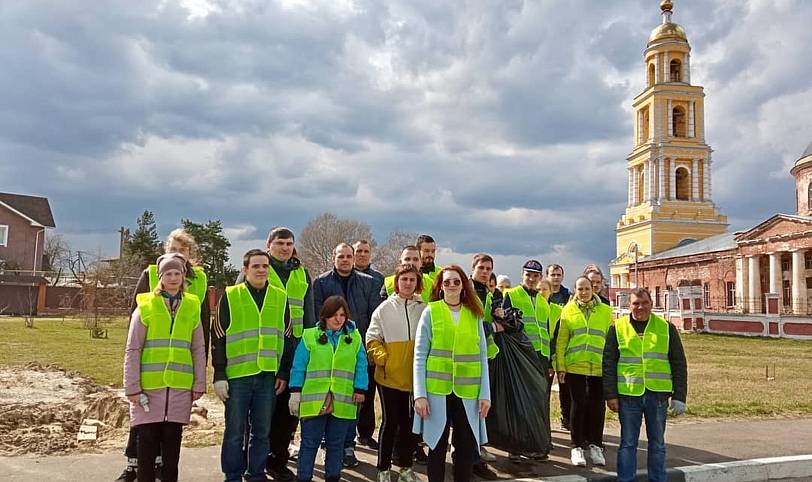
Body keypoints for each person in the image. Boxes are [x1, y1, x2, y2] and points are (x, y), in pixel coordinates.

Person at [117, 229, 210, 482]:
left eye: (182, 251)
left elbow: (199, 334)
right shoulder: (148, 285)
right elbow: (134, 336)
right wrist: (132, 383)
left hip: (180, 378)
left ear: (190, 254)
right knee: (145, 434)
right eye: (173, 249)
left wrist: (200, 376)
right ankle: (134, 467)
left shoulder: (198, 283)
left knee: (172, 440)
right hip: (151, 379)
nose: (173, 276)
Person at [235, 228, 316, 482]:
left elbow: (310, 314)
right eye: (280, 243)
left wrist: (311, 347)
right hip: (263, 354)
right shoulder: (257, 269)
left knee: (287, 415)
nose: (285, 248)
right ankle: (253, 462)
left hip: (295, 351)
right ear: (269, 244)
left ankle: (278, 460)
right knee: (259, 415)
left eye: (289, 243)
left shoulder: (302, 273)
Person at [212, 249, 289, 482]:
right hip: (237, 377)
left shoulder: (279, 296)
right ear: (245, 270)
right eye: (256, 266)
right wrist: (219, 373)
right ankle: (233, 475)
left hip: (267, 376)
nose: (261, 270)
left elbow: (286, 336)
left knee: (262, 432)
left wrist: (283, 371)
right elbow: (218, 336)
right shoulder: (231, 295)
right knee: (235, 432)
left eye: (265, 266)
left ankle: (256, 473)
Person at [413, 265, 491, 482]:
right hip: (437, 391)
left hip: (468, 392)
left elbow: (483, 357)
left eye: (456, 281)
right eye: (447, 282)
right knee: (436, 447)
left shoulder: (474, 314)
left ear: (463, 285)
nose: (452, 286)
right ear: (440, 285)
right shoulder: (431, 311)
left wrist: (485, 395)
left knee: (466, 449)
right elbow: (419, 355)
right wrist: (420, 394)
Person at [603, 288, 688, 482]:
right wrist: (610, 395)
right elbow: (608, 363)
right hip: (628, 394)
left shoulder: (666, 328)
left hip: (657, 395)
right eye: (635, 303)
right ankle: (626, 479)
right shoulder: (617, 328)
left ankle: (657, 479)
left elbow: (678, 362)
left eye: (644, 303)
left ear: (651, 304)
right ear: (629, 305)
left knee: (657, 444)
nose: (640, 307)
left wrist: (679, 396)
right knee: (628, 443)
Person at [312, 243, 381, 465]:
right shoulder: (321, 282)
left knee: (353, 401)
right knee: (327, 397)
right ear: (333, 257)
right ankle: (328, 445)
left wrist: (367, 347)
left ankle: (348, 446)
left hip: (354, 349)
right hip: (327, 351)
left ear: (353, 259)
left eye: (348, 256)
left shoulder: (368, 283)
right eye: (340, 256)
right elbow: (316, 315)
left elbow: (373, 318)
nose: (344, 259)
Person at [288, 296, 368, 482]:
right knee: (309, 444)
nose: (338, 319)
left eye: (342, 315)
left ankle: (333, 477)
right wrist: (295, 392)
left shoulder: (354, 337)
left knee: (336, 444)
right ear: (324, 316)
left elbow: (361, 365)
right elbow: (299, 366)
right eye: (334, 315)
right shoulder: (309, 336)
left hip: (344, 399)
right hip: (313, 401)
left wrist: (360, 389)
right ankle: (304, 478)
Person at [365, 263, 425, 482]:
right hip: (389, 378)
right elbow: (372, 338)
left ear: (417, 283)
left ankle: (406, 469)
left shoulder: (424, 308)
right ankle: (383, 469)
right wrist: (385, 360)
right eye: (404, 279)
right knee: (390, 423)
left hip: (414, 378)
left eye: (412, 279)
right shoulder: (384, 308)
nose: (408, 283)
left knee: (409, 425)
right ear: (396, 282)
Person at [556, 277, 613, 467]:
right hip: (575, 366)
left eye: (587, 288)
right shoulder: (568, 310)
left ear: (593, 289)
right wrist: (561, 367)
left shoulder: (605, 311)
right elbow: (562, 341)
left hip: (598, 366)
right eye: (580, 288)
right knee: (577, 405)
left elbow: (611, 340)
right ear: (575, 290)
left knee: (597, 407)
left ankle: (596, 445)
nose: (584, 292)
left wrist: (610, 366)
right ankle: (577, 446)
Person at [502, 259, 553, 460]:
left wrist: (549, 361)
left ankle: (537, 444)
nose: (531, 279)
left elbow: (546, 331)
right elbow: (505, 324)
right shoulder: (511, 295)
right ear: (522, 275)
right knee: (519, 401)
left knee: (539, 402)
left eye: (535, 275)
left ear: (540, 278)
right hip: (521, 355)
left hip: (541, 357)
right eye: (528, 275)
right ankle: (515, 447)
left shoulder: (542, 301)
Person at [468, 254, 503, 478]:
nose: (485, 271)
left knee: (480, 409)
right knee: (471, 410)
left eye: (488, 268)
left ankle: (477, 449)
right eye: (481, 267)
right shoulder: (468, 290)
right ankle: (472, 458)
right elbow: (471, 324)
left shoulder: (487, 293)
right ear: (473, 268)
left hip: (486, 355)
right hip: (469, 357)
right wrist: (493, 327)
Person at [546, 263, 572, 432]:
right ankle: (544, 423)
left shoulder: (567, 296)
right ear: (547, 276)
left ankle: (566, 420)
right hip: (547, 348)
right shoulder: (543, 295)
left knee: (566, 388)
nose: (555, 278)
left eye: (558, 274)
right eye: (552, 274)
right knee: (544, 390)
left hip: (562, 348)